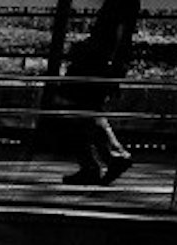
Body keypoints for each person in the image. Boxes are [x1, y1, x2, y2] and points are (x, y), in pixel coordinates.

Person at [56, 0, 139, 184]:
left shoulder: (117, 7)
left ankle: (104, 158)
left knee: (78, 108)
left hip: (97, 63)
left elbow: (116, 32)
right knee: (87, 109)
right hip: (102, 61)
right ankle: (106, 157)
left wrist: (109, 64)